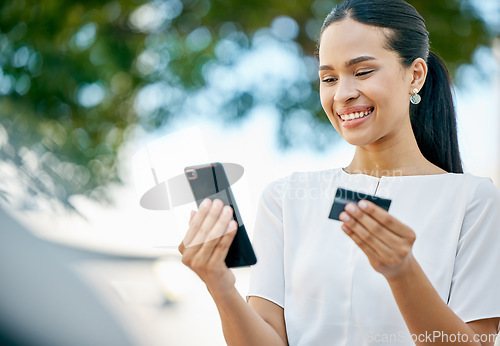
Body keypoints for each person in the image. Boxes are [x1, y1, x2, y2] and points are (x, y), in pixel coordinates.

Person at [178, 0, 500, 344]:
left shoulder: (473, 199)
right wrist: (219, 284)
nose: (343, 94)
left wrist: (403, 271)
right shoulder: (287, 197)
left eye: (362, 72)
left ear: (415, 75)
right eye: (329, 78)